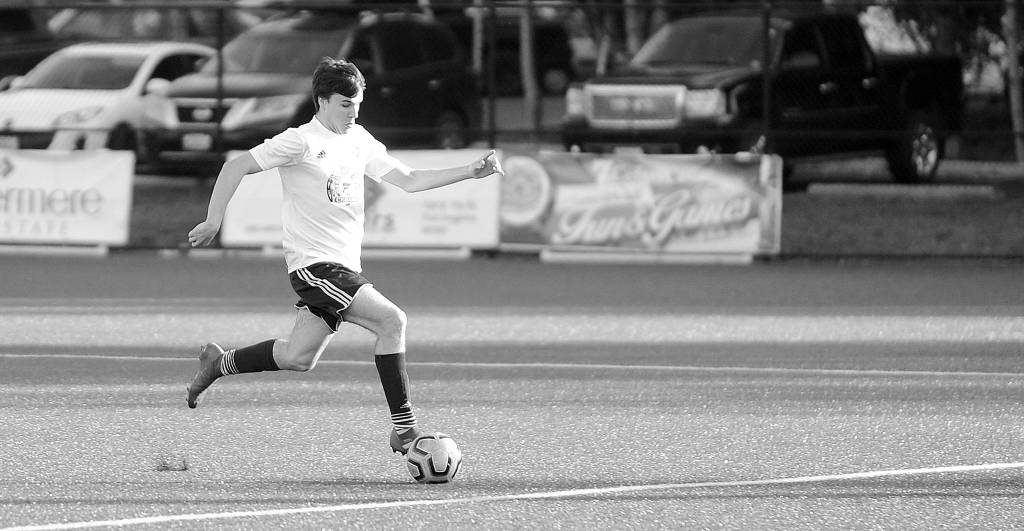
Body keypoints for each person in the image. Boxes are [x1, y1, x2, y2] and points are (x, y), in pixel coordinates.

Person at [184, 57, 504, 455]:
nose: (353, 111)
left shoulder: (359, 140)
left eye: (358, 102)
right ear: (321, 101)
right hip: (314, 266)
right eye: (344, 103)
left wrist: (469, 171)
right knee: (392, 322)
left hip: (342, 268)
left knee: (297, 357)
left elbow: (409, 180)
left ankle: (218, 363)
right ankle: (404, 429)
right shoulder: (300, 141)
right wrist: (214, 220)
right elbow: (235, 166)